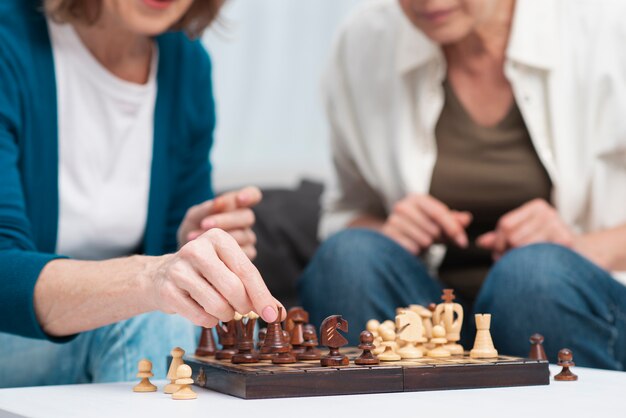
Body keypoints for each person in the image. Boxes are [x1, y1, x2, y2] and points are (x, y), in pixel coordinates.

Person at [299, 0, 626, 370]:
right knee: (349, 259)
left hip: (567, 302)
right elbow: (344, 213)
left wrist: (577, 248)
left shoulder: (610, 26)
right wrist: (388, 230)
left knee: (533, 279)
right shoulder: (362, 40)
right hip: (432, 313)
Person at [0, 0, 284, 387]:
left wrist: (189, 245)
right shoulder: (8, 39)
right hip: (13, 333)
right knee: (149, 314)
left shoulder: (186, 63)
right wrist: (148, 280)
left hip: (121, 338)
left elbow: (163, 264)